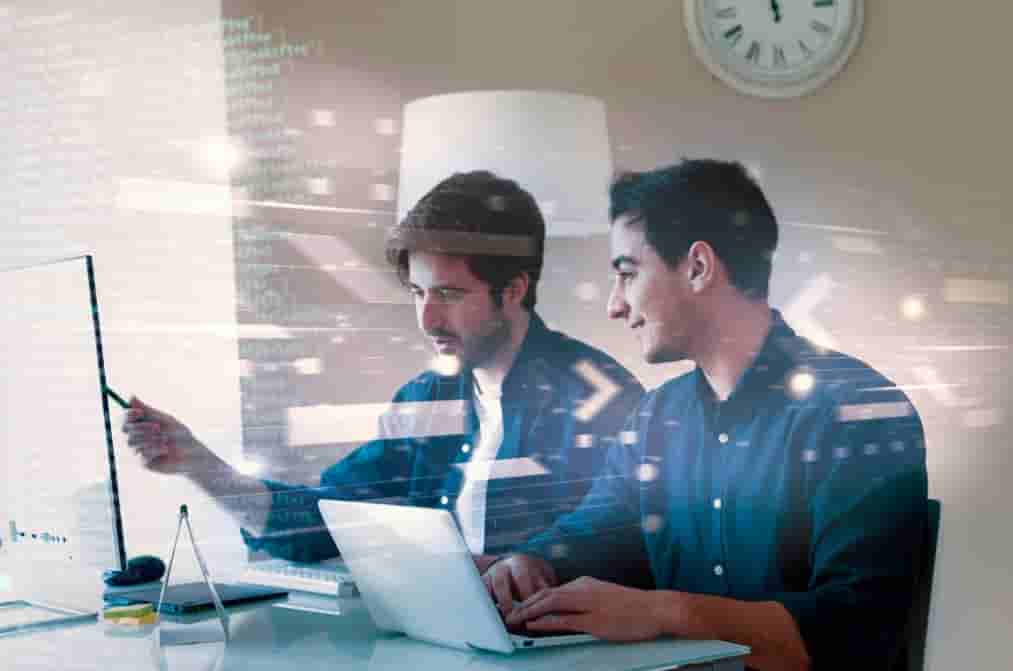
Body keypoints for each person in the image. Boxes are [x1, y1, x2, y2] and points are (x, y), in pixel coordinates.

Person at [482, 160, 929, 671]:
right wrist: (529, 561)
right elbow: (601, 529)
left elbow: (856, 630)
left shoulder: (858, 412)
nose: (614, 305)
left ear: (698, 267)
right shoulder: (657, 415)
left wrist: (664, 611)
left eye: (627, 273)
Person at [123, 170, 645, 572]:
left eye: (448, 294)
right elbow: (328, 519)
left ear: (513, 288)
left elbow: (627, 544)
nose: (427, 318)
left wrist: (530, 568)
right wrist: (199, 464)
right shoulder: (426, 398)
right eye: (418, 293)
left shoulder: (598, 395)